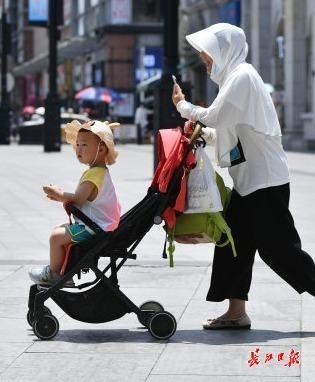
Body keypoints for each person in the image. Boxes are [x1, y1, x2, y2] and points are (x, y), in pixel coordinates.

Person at [172, 23, 315, 330]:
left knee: (278, 250)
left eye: (208, 53)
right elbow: (227, 133)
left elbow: (216, 116)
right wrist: (201, 134)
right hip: (249, 181)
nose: (204, 60)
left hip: (265, 181)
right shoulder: (234, 80)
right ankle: (236, 311)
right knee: (232, 242)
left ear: (225, 50)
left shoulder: (242, 77)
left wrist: (183, 107)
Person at [29, 119, 121, 286]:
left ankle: (54, 274)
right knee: (60, 229)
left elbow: (79, 198)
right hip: (97, 225)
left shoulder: (94, 175)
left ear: (100, 148)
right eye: (77, 144)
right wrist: (61, 197)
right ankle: (66, 272)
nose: (78, 148)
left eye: (84, 145)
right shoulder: (98, 171)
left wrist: (60, 194)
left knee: (56, 237)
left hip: (94, 228)